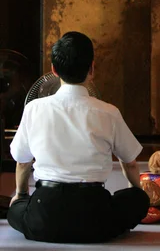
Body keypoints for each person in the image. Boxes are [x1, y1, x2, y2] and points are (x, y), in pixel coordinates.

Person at [7, 31, 150, 243]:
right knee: (138, 199)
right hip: (96, 220)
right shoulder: (109, 112)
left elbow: (22, 161)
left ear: (54, 70)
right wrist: (136, 194)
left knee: (15, 209)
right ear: (92, 69)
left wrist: (20, 196)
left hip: (44, 218)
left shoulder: (34, 109)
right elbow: (129, 163)